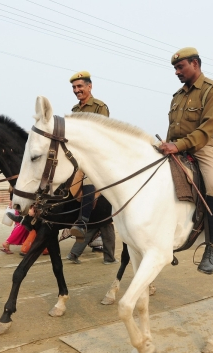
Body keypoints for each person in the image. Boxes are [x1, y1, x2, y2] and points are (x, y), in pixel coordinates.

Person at [158, 47, 213, 275]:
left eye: (181, 67)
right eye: (175, 68)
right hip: (176, 146)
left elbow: (207, 128)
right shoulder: (177, 96)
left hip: (204, 146)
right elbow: (173, 128)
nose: (177, 72)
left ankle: (211, 247)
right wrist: (168, 145)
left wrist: (178, 146)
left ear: (195, 64)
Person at [65, 71, 117, 264]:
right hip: (77, 155)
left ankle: (82, 220)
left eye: (80, 87)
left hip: (95, 156)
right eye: (74, 88)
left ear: (89, 87)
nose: (77, 90)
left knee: (87, 180)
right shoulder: (74, 109)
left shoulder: (100, 107)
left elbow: (101, 134)